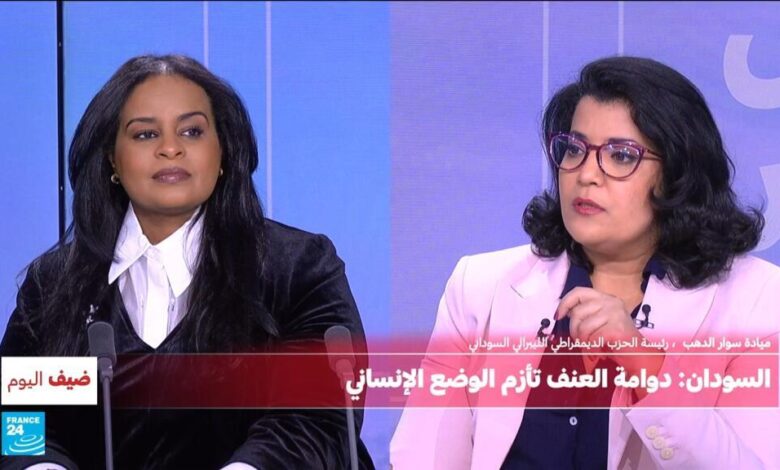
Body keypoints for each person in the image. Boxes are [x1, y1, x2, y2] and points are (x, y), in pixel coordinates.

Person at [390, 56, 780, 469]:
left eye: (621, 156)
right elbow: (422, 457)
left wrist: (642, 359)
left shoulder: (755, 302)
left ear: (678, 173)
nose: (586, 174)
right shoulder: (480, 286)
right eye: (574, 149)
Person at [0, 54, 374, 469]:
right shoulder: (55, 284)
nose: (170, 149)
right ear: (111, 159)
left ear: (223, 151)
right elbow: (19, 418)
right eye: (145, 134)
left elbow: (319, 418)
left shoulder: (296, 268)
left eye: (192, 131)